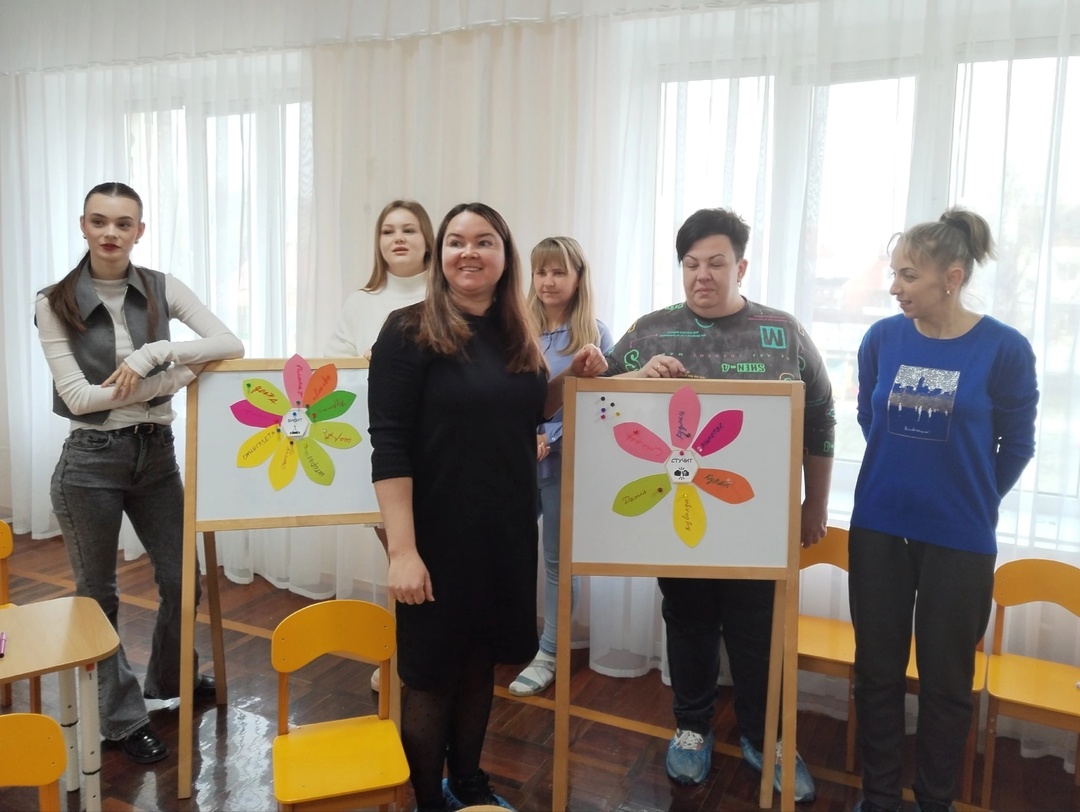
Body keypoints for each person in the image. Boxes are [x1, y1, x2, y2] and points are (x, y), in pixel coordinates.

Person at [368, 203, 606, 812]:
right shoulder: (406, 330)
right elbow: (388, 444)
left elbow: (524, 411)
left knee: (480, 665)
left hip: (504, 530)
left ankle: (468, 783)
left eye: (484, 241)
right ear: (440, 255)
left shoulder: (516, 329)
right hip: (436, 537)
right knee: (430, 675)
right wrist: (402, 552)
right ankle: (428, 800)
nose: (469, 252)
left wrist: (570, 379)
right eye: (456, 241)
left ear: (505, 255)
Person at [603, 207, 833, 802]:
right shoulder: (649, 332)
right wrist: (636, 378)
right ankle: (692, 726)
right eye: (690, 264)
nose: (701, 275)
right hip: (678, 514)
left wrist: (815, 502)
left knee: (758, 629)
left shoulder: (782, 332)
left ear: (741, 267)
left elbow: (821, 416)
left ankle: (767, 737)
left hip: (760, 519)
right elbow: (596, 399)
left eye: (715, 263)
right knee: (688, 620)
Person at [35, 182, 245, 763]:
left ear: (139, 231)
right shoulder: (53, 302)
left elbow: (229, 343)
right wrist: (174, 379)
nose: (111, 233)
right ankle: (121, 719)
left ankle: (171, 680)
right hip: (90, 462)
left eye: (123, 223)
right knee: (98, 595)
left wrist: (154, 354)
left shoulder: (162, 285)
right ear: (83, 225)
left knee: (182, 580)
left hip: (157, 456)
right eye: (99, 221)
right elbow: (79, 399)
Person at [848, 209, 1038, 812]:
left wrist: (972, 496)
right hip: (878, 527)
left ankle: (935, 802)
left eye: (908, 275)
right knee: (876, 674)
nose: (895, 287)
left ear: (952, 278)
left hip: (960, 540)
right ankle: (879, 796)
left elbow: (1018, 444)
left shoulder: (1005, 349)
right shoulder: (881, 340)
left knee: (947, 685)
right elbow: (870, 418)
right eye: (894, 274)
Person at [325, 199, 435, 692]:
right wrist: (367, 360)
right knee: (401, 557)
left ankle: (426, 656)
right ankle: (408, 655)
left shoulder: (445, 294)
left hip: (437, 447)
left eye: (409, 229)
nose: (398, 238)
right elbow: (330, 368)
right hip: (382, 450)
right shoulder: (360, 301)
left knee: (434, 556)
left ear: (427, 239)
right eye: (389, 231)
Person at [508, 237, 614, 697]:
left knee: (558, 561)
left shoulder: (595, 336)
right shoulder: (514, 330)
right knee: (503, 552)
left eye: (558, 272)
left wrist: (548, 437)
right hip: (514, 464)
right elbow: (506, 397)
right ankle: (505, 637)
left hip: (565, 466)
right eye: (540, 272)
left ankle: (550, 652)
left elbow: (604, 408)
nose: (547, 282)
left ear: (578, 278)